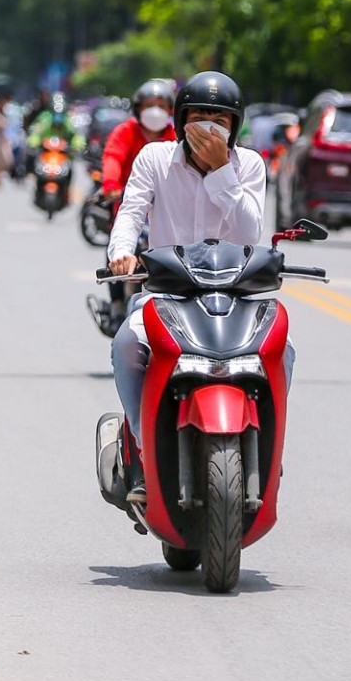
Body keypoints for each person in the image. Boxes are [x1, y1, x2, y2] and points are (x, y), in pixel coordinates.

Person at [106, 72, 267, 501]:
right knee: (126, 344)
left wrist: (220, 172)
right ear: (180, 121)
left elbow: (250, 232)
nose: (209, 125)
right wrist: (121, 252)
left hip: (234, 296)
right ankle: (142, 444)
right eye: (199, 116)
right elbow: (132, 211)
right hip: (166, 293)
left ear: (235, 125)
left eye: (220, 118)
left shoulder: (249, 165)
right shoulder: (154, 158)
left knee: (280, 351)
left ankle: (266, 448)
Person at [97, 79, 177, 324]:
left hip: (164, 211)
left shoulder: (175, 136)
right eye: (149, 105)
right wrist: (111, 186)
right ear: (138, 108)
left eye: (161, 105)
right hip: (127, 205)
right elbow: (113, 158)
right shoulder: (125, 132)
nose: (155, 110)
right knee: (117, 247)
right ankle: (117, 301)